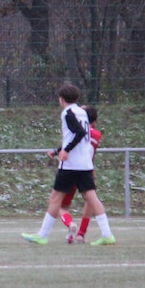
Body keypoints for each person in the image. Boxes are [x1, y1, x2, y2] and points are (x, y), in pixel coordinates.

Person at [22, 84, 116, 246]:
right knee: (92, 198)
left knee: (55, 198)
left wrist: (65, 150)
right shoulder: (82, 112)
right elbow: (81, 135)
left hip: (71, 164)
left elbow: (79, 133)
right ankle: (107, 235)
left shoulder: (67, 112)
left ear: (61, 99)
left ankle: (42, 235)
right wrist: (59, 150)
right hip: (85, 164)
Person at [57, 104, 102, 243]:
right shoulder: (96, 134)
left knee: (60, 205)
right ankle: (81, 234)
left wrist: (59, 150)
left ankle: (70, 224)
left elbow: (72, 142)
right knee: (91, 202)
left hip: (71, 169)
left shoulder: (80, 131)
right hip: (88, 171)